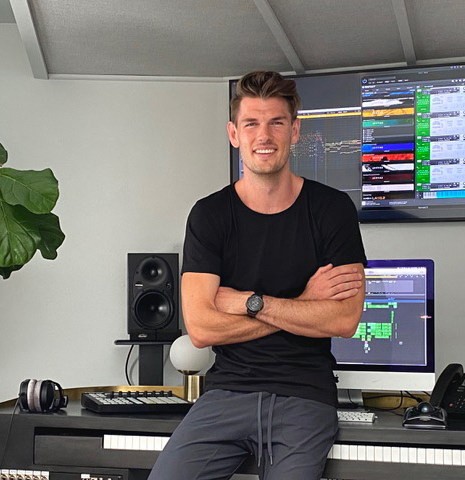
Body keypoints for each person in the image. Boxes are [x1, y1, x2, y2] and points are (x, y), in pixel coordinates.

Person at [148, 70, 367, 480]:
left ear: (294, 131)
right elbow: (201, 329)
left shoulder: (332, 210)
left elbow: (343, 319)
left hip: (305, 399)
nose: (263, 135)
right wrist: (303, 303)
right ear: (234, 133)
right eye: (251, 123)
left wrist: (245, 302)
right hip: (226, 395)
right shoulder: (209, 215)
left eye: (276, 122)